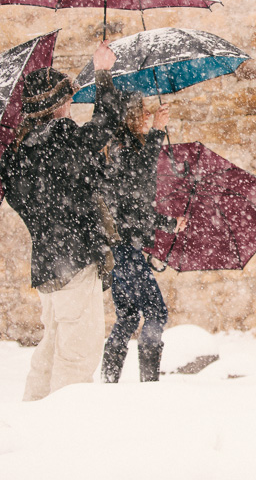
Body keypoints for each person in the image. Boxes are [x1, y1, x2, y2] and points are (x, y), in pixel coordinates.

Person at [0, 41, 121, 401]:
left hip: (48, 263)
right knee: (78, 352)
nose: (70, 106)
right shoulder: (60, 139)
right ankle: (61, 433)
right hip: (74, 259)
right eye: (66, 99)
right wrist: (103, 71)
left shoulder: (15, 157)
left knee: (52, 347)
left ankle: (31, 417)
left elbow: (44, 198)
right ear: (55, 105)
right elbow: (105, 125)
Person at [100, 92, 186, 383]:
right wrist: (158, 131)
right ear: (128, 117)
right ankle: (148, 385)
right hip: (127, 249)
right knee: (155, 312)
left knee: (126, 316)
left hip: (118, 249)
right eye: (143, 112)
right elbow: (137, 192)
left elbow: (135, 206)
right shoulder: (124, 150)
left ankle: (110, 381)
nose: (148, 116)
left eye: (150, 112)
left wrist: (169, 223)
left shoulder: (116, 149)